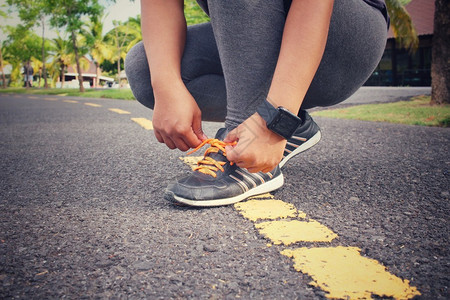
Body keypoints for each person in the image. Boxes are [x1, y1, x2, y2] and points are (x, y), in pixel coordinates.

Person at [125, 0, 389, 207]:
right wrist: (166, 86)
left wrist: (277, 119)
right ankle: (291, 127)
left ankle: (256, 129)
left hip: (341, 38)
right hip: (268, 36)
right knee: (144, 69)